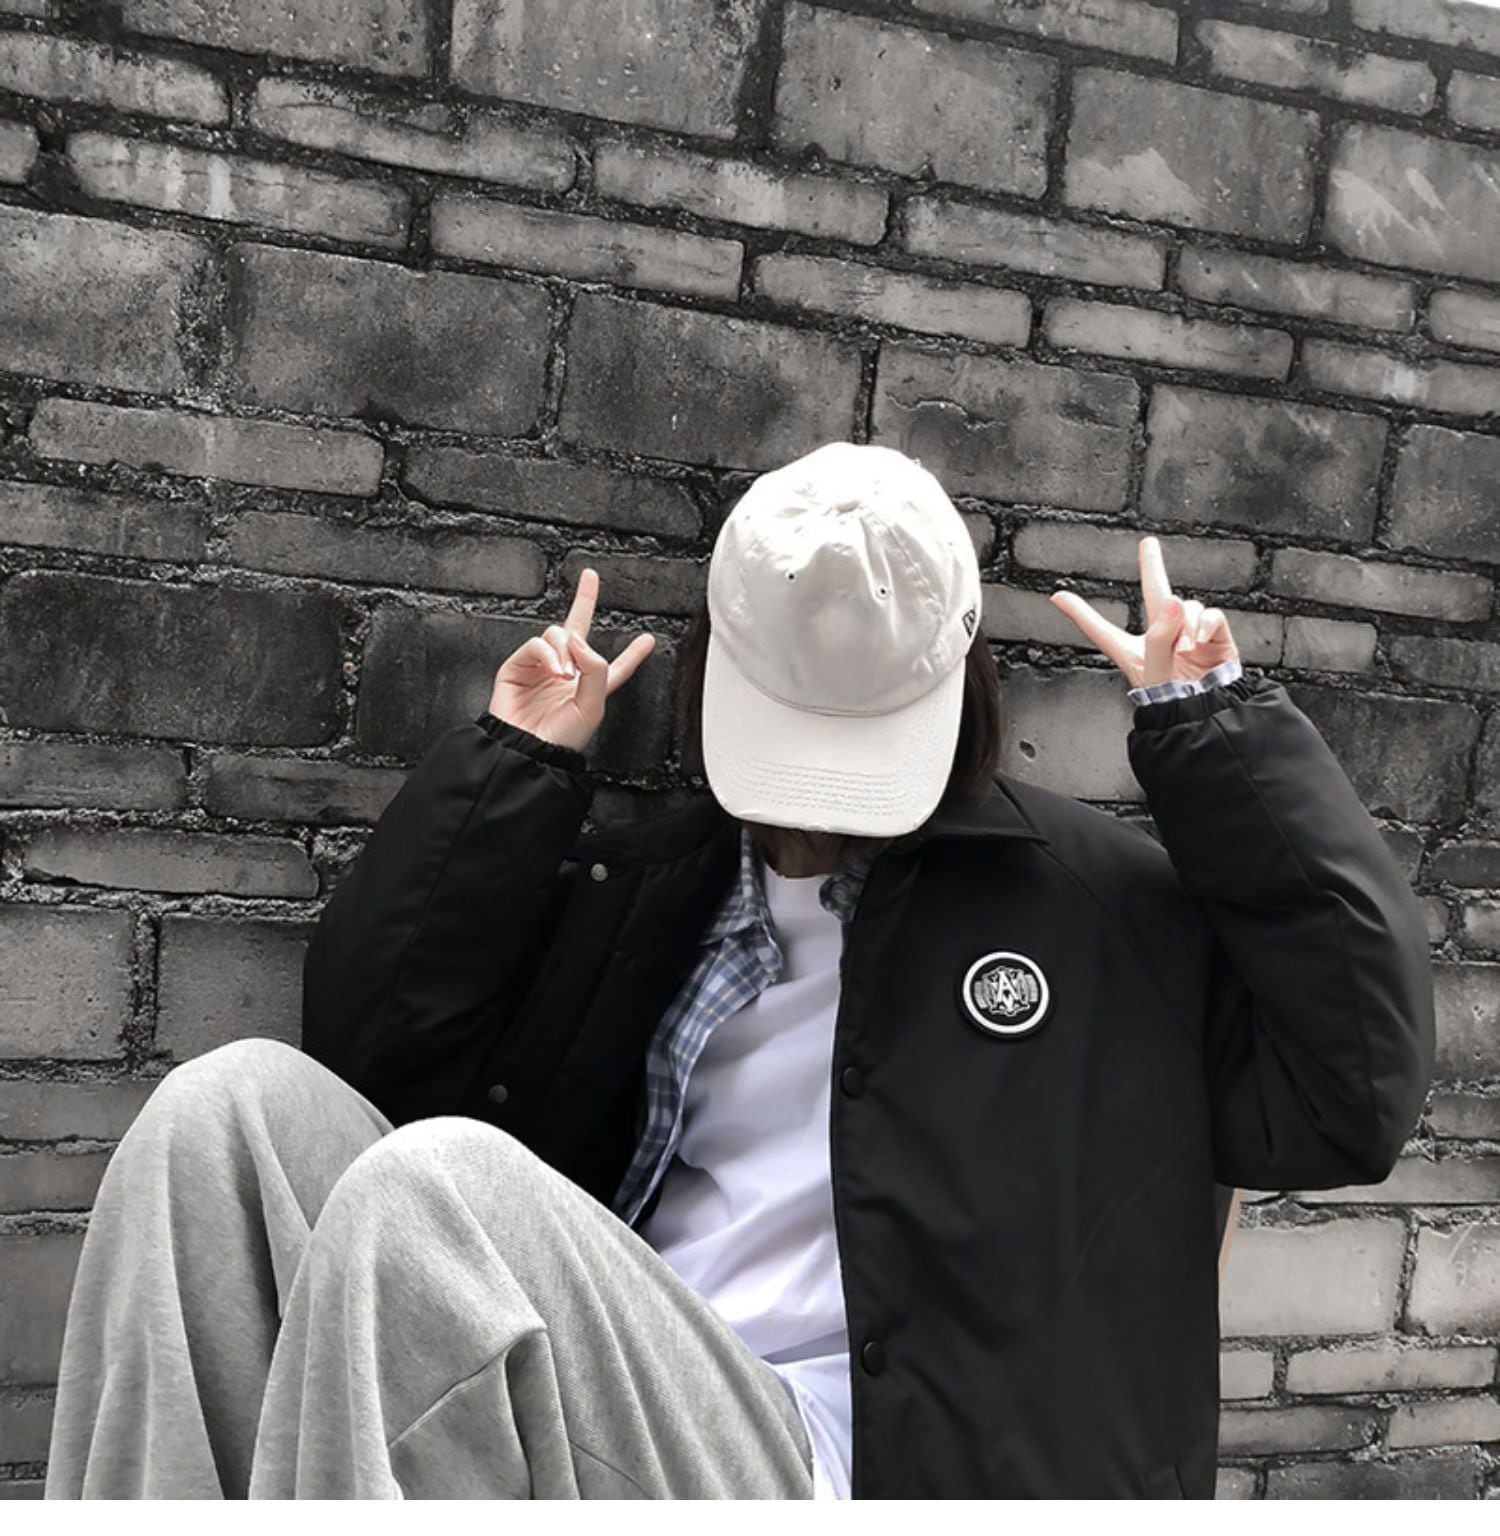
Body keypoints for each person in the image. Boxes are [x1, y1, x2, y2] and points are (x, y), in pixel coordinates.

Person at [45, 441, 1435, 1499]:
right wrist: (514, 773)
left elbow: (1350, 1100)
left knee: (439, 1192)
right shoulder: (657, 879)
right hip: (640, 1393)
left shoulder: (1096, 906)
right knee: (222, 1115)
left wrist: (1217, 735)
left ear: (958, 691)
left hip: (860, 1468)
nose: (818, 810)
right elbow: (375, 1062)